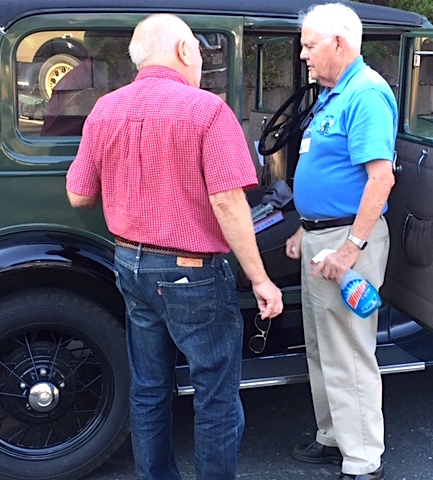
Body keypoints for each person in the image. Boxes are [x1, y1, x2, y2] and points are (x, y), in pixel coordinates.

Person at [65, 14, 283, 480]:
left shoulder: (104, 109)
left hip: (130, 264)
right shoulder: (207, 111)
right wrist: (261, 280)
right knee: (215, 395)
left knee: (148, 390)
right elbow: (227, 202)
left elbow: (79, 196)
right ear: (184, 50)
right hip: (193, 272)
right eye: (199, 52)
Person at [285, 3, 397, 480]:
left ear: (338, 43)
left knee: (349, 349)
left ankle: (363, 459)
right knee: (322, 345)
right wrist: (305, 227)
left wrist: (351, 249)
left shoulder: (365, 94)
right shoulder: (335, 93)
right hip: (323, 236)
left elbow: (380, 179)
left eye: (309, 45)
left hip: (346, 242)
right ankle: (334, 436)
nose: (304, 55)